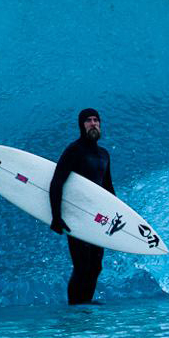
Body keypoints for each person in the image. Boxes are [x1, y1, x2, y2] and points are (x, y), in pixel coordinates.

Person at [49, 108, 112, 305]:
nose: (93, 124)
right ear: (81, 125)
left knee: (96, 266)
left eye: (96, 120)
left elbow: (108, 187)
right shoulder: (74, 150)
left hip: (97, 217)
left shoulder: (104, 154)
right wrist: (56, 217)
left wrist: (114, 217)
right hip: (76, 215)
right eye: (88, 121)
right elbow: (57, 182)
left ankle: (86, 304)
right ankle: (75, 306)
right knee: (81, 265)